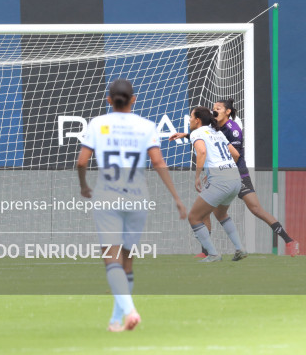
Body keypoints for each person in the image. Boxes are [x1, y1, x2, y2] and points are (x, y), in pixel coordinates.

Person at [76, 79, 187, 332]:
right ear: (133, 99)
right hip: (137, 197)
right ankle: (117, 321)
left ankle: (130, 311)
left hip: (107, 197)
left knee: (111, 259)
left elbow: (82, 162)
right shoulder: (146, 126)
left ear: (109, 100)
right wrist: (177, 198)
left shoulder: (98, 124)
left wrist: (83, 185)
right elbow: (158, 163)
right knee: (127, 261)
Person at [170, 98, 299, 257]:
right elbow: (209, 140)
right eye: (213, 108)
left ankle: (289, 240)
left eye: (218, 108)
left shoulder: (233, 129)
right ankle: (206, 252)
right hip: (226, 174)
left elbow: (235, 156)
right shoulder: (214, 128)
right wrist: (186, 135)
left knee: (255, 209)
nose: (214, 111)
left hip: (237, 173)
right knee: (210, 211)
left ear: (228, 112)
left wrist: (216, 172)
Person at [183, 106, 247, 263]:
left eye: (191, 117)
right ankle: (240, 249)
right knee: (220, 214)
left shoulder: (197, 133)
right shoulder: (217, 132)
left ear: (197, 120)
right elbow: (236, 154)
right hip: (234, 177)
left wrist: (198, 176)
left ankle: (213, 254)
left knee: (194, 217)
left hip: (221, 180)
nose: (189, 120)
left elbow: (202, 152)